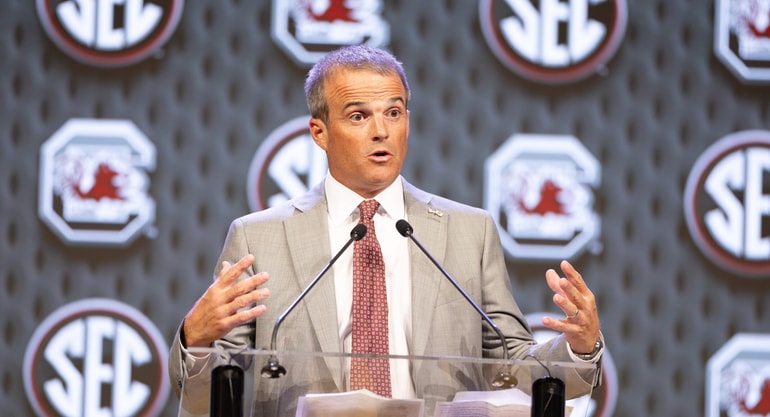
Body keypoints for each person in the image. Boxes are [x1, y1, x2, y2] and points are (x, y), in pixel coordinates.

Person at [169, 44, 604, 414]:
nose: (381, 131)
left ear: (407, 122)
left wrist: (577, 350)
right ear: (320, 132)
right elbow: (210, 394)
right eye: (358, 116)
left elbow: (509, 365)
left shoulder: (470, 232)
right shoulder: (258, 238)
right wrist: (198, 341)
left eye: (393, 112)